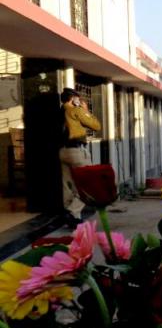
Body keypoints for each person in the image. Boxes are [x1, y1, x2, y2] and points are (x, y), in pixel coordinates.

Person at [59, 88, 101, 226]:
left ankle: (73, 217)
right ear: (73, 99)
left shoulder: (59, 111)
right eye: (78, 98)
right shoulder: (75, 110)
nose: (79, 101)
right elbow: (96, 126)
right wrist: (86, 110)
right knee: (87, 184)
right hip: (76, 151)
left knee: (67, 185)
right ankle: (72, 211)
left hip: (62, 151)